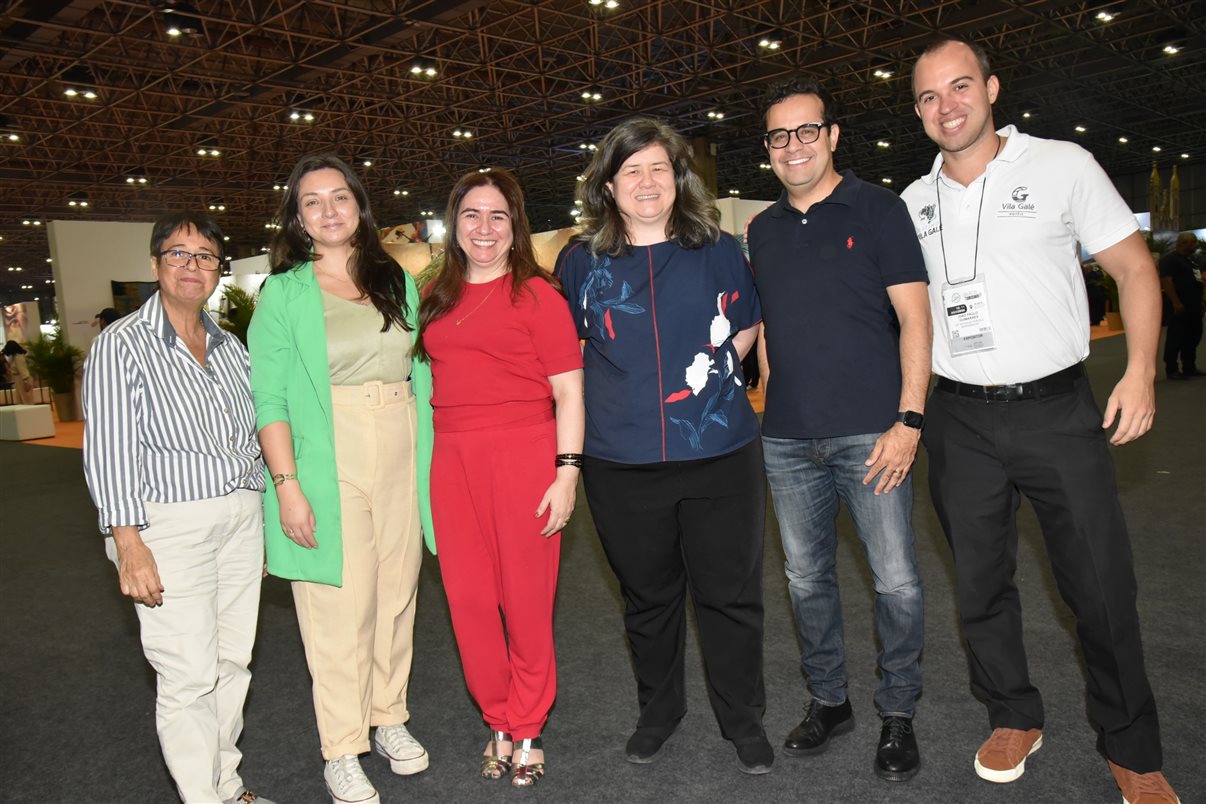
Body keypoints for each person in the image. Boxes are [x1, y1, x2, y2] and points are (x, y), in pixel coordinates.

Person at [902, 37, 1179, 803]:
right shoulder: (913, 203)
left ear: (991, 88)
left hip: (1058, 410)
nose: (946, 106)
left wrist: (1143, 370)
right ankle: (1013, 714)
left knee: (1099, 585)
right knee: (981, 586)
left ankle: (1132, 746)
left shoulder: (1062, 166)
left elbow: (1133, 267)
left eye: (959, 87)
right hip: (959, 421)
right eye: (928, 96)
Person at [555, 117, 772, 774]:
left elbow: (746, 322)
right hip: (621, 462)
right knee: (648, 597)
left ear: (677, 178)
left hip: (719, 453)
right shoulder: (579, 261)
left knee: (729, 595)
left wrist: (708, 378)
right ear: (609, 185)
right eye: (631, 171)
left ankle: (743, 718)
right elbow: (566, 351)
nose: (646, 183)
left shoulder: (716, 250)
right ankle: (661, 709)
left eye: (658, 169)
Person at [748, 77, 931, 782]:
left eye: (805, 130)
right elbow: (770, 327)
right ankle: (830, 700)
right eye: (778, 135)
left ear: (830, 136)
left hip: (873, 434)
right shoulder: (760, 229)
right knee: (805, 579)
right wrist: (767, 399)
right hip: (789, 442)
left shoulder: (879, 208)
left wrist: (909, 419)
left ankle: (898, 712)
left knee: (896, 581)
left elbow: (916, 319)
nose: (793, 145)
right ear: (768, 150)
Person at [247, 154, 433, 804]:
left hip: (401, 443)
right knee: (338, 607)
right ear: (297, 219)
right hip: (330, 452)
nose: (329, 210)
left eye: (339, 197)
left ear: (359, 204)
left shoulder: (394, 279)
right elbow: (267, 398)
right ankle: (342, 747)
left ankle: (389, 717)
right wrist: (287, 483)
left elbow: (418, 368)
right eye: (312, 202)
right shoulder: (284, 293)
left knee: (397, 593)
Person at [81, 212, 272, 804]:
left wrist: (263, 519)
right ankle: (201, 795)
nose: (193, 266)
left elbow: (251, 439)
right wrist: (128, 543)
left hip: (240, 520)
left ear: (221, 268)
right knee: (187, 674)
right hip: (167, 527)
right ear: (155, 263)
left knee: (231, 665)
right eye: (179, 254)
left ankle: (228, 785)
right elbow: (109, 449)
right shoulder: (121, 346)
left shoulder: (231, 347)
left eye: (206, 256)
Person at [416, 168, 584, 788]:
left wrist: (566, 474)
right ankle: (498, 717)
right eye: (472, 215)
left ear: (515, 228)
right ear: (453, 225)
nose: (484, 228)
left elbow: (570, 392)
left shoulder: (538, 296)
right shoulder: (433, 294)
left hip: (525, 455)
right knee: (468, 604)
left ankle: (530, 725)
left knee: (526, 599)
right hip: (452, 461)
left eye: (498, 217)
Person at [1160, 231, 1203, 379]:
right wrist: (1176, 302)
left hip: (1194, 306)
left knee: (1194, 336)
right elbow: (1167, 281)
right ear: (1184, 243)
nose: (1196, 245)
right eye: (1194, 242)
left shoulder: (1192, 260)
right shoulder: (1169, 260)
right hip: (1179, 306)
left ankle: (1189, 367)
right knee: (1176, 337)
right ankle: (1171, 369)